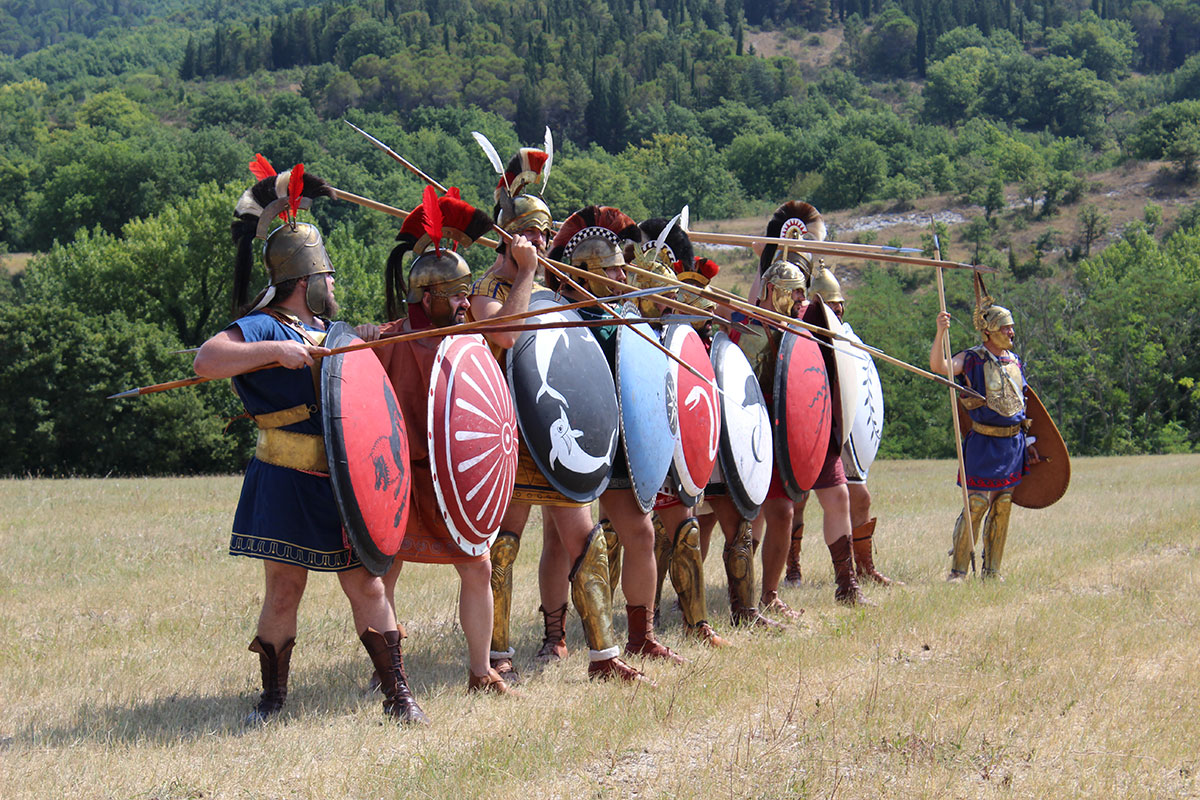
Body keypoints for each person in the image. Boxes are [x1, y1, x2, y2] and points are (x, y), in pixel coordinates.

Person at [193, 164, 426, 725]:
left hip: (343, 482)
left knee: (367, 585)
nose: (333, 286)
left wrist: (372, 338)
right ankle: (271, 701)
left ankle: (399, 696)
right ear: (306, 280)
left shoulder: (328, 333)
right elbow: (207, 361)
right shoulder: (265, 326)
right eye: (328, 277)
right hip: (286, 474)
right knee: (283, 590)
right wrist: (273, 353)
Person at [469, 155, 647, 683]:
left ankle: (603, 656)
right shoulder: (486, 291)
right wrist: (524, 272)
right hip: (507, 435)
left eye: (546, 238)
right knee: (501, 548)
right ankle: (497, 654)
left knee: (586, 539)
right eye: (537, 237)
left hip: (550, 431)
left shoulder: (546, 292)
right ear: (513, 238)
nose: (545, 247)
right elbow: (508, 335)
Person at [357, 188, 518, 695]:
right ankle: (387, 674)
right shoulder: (386, 340)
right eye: (457, 294)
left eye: (469, 292)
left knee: (476, 565)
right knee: (385, 573)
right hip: (401, 482)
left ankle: (480, 672)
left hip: (456, 481)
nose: (467, 302)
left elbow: (507, 335)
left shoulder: (467, 340)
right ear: (427, 297)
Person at [551, 205, 683, 667]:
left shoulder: (625, 316)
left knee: (641, 534)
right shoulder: (559, 320)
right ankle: (556, 639)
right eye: (612, 268)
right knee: (576, 547)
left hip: (619, 441)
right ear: (587, 271)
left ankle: (641, 635)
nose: (622, 275)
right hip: (572, 442)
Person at [747, 201, 870, 608]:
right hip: (771, 427)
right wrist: (761, 262)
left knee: (838, 498)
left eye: (796, 289)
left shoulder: (814, 317)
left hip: (813, 419)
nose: (791, 296)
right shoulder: (753, 319)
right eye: (783, 289)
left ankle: (846, 585)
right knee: (777, 513)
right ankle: (766, 594)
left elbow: (833, 366)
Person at [633, 221, 729, 649]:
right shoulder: (624, 328)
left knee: (685, 531)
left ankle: (697, 623)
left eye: (670, 290)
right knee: (627, 538)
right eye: (659, 289)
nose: (668, 298)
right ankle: (642, 628)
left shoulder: (679, 332)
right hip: (630, 449)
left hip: (670, 444)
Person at [789, 264, 898, 587]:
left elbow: (853, 380)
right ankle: (792, 568)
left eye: (840, 304)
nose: (837, 309)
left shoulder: (846, 336)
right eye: (831, 304)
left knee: (857, 497)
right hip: (807, 419)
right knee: (797, 501)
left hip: (841, 425)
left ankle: (861, 569)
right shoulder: (799, 327)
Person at [930, 292, 1031, 580]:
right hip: (983, 442)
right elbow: (941, 367)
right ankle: (958, 573)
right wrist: (940, 332)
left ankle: (992, 572)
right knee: (976, 504)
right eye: (1004, 327)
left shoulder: (1015, 360)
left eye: (1011, 327)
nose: (1011, 332)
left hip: (1012, 443)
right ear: (988, 331)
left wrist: (1031, 440)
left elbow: (1023, 402)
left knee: (1002, 505)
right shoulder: (973, 358)